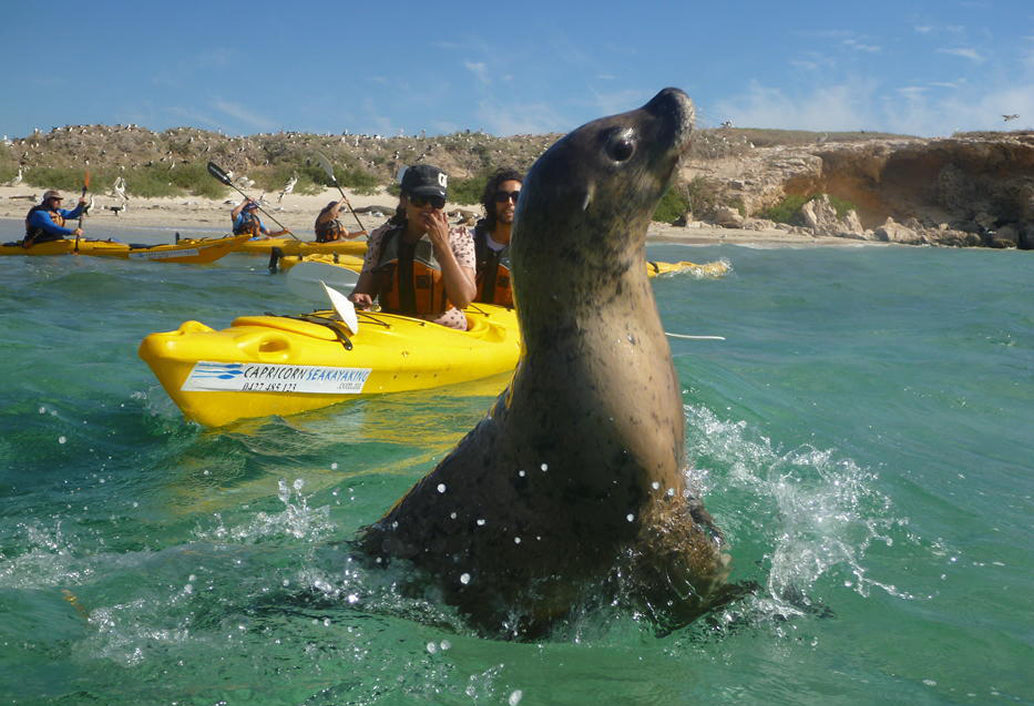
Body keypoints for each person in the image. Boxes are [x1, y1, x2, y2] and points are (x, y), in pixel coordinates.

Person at [348, 164, 476, 330]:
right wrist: (358, 299)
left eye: (436, 202)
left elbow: (463, 299)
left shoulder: (459, 238)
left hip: (445, 333)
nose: (428, 207)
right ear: (403, 201)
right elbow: (362, 292)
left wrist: (443, 246)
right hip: (394, 329)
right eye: (420, 200)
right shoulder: (382, 238)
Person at [471, 168, 522, 307]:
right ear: (492, 202)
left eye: (517, 197)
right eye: (502, 197)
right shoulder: (469, 241)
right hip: (472, 321)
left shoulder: (532, 249)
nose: (510, 202)